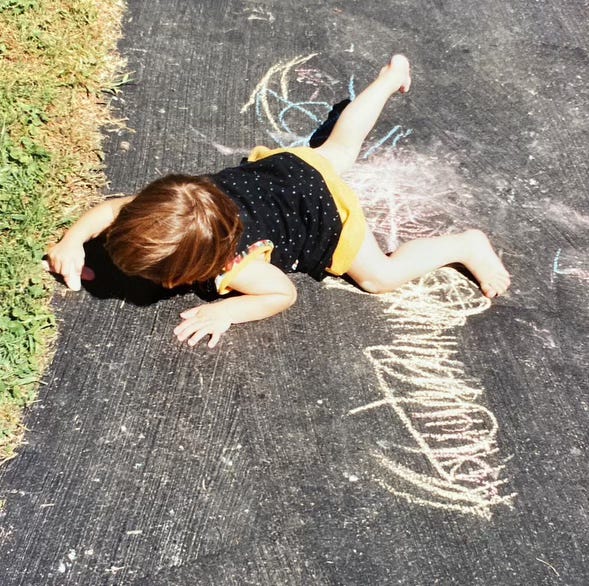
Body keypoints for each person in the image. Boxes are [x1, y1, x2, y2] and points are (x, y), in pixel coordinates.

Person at [44, 55, 510, 348]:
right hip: (285, 173)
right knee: (339, 149)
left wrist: (227, 310)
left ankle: (465, 245)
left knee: (379, 276)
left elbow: (281, 293)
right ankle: (389, 78)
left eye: (154, 274)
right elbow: (109, 210)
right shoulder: (179, 208)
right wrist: (73, 240)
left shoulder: (237, 267)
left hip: (325, 216)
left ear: (195, 272)